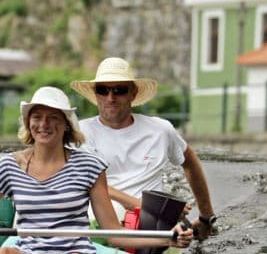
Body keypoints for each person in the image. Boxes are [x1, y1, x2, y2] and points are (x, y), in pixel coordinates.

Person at [0, 86, 193, 254]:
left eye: (53, 118)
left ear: (66, 125)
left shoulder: (90, 167)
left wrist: (168, 238)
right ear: (28, 123)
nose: (44, 125)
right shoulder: (8, 167)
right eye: (37, 117)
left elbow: (113, 233)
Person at [71, 57, 217, 240]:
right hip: (102, 221)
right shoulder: (79, 133)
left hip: (151, 224)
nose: (110, 98)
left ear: (133, 93)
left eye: (119, 90)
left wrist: (206, 217)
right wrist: (147, 206)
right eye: (103, 90)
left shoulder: (161, 130)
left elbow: (190, 161)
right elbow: (86, 183)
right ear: (95, 94)